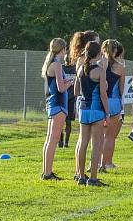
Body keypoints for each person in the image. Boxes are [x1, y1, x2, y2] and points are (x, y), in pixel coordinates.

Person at [74, 39, 109, 186]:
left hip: (83, 108)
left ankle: (81, 176)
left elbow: (76, 90)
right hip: (96, 110)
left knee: (83, 142)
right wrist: (107, 112)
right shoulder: (100, 71)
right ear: (99, 54)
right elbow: (103, 93)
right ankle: (93, 178)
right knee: (96, 144)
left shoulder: (81, 69)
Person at [41, 38, 74, 180]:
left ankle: (46, 171)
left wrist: (67, 80)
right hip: (58, 104)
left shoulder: (50, 64)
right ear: (63, 50)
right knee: (53, 140)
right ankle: (48, 173)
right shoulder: (57, 65)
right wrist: (71, 83)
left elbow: (56, 83)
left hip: (52, 103)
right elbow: (61, 88)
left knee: (49, 139)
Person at [100, 39, 125, 171]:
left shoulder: (98, 65)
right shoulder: (120, 67)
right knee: (110, 136)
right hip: (114, 102)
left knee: (98, 136)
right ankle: (107, 163)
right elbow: (121, 90)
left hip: (99, 101)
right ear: (115, 51)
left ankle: (97, 162)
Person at [59, 53, 77, 148]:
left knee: (68, 121)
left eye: (70, 60)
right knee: (60, 121)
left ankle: (66, 142)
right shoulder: (61, 68)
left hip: (71, 98)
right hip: (62, 97)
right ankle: (60, 141)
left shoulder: (75, 68)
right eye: (66, 60)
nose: (68, 61)